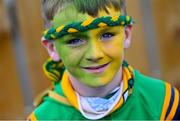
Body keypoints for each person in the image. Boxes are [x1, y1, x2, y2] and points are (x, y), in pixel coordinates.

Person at [28, 0, 180, 120]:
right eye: (75, 41)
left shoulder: (163, 101)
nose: (95, 54)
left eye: (106, 35)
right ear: (52, 49)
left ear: (126, 35)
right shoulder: (43, 118)